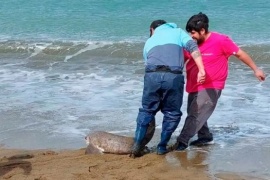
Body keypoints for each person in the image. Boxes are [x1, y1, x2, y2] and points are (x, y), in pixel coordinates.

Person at [173, 12, 266, 151]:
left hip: (212, 84)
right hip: (194, 84)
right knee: (194, 112)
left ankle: (181, 143)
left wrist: (256, 69)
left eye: (193, 33)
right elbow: (181, 59)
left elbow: (239, 54)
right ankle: (205, 137)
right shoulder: (192, 43)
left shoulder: (221, 40)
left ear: (203, 30)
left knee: (196, 113)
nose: (191, 36)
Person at [130, 19, 206, 158]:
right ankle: (161, 146)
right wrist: (201, 69)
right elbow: (193, 48)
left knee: (147, 110)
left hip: (152, 76)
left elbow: (148, 62)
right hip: (173, 76)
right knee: (172, 113)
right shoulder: (177, 32)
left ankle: (137, 144)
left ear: (152, 29)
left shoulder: (149, 41)